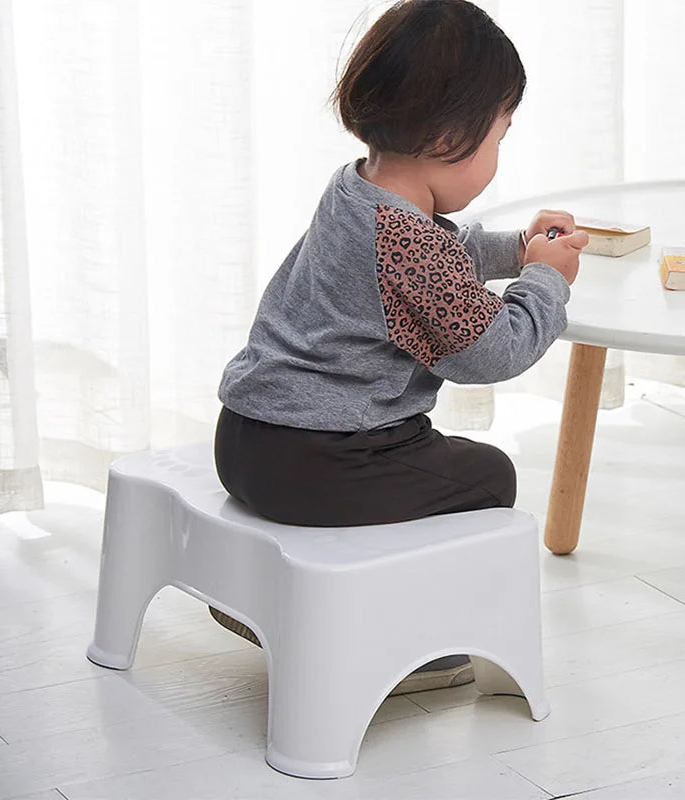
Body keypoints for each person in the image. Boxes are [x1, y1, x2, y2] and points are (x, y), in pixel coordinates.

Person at [209, 0, 588, 695]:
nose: (500, 154)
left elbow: (433, 265)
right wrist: (545, 281)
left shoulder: (359, 191)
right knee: (488, 478)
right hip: (324, 462)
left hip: (246, 442)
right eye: (500, 136)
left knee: (442, 463)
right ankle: (410, 652)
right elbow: (492, 353)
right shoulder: (409, 244)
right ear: (451, 135)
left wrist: (516, 248)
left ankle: (281, 596)